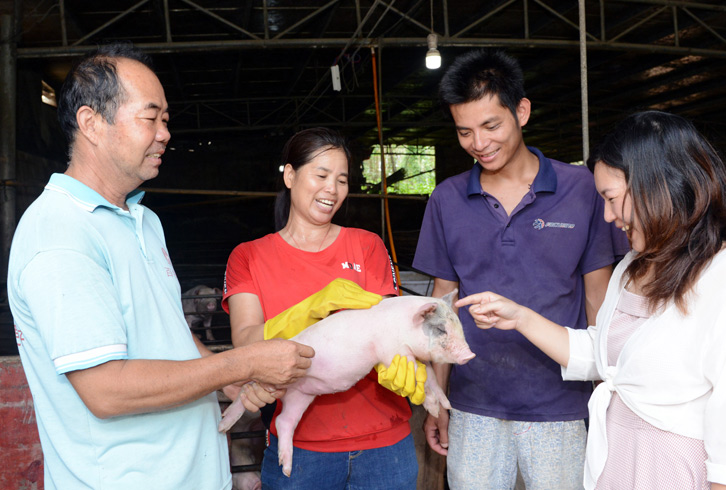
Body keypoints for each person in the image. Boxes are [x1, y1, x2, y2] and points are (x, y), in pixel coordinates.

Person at [6, 42, 315, 489]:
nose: (165, 133)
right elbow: (106, 390)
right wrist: (241, 364)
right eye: (150, 118)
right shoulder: (60, 233)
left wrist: (228, 382)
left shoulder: (143, 219)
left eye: (165, 120)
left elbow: (168, 330)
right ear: (91, 123)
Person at [459, 110, 726, 490]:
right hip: (616, 466)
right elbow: (604, 356)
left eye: (612, 199)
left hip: (673, 473)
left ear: (660, 186)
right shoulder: (632, 266)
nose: (609, 216)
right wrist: (520, 317)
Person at [412, 49, 628, 489]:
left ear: (522, 111)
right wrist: (437, 398)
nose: (479, 143)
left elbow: (598, 299)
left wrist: (611, 394)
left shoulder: (582, 189)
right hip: (474, 404)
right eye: (465, 132)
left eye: (492, 125)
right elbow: (442, 307)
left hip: (561, 406)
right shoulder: (447, 200)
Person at [223, 127, 425, 489]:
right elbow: (245, 343)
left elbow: (393, 329)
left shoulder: (367, 245)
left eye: (342, 180)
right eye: (321, 175)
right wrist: (309, 308)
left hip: (384, 445)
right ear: (289, 175)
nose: (332, 189)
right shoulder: (249, 256)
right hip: (301, 449)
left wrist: (406, 360)